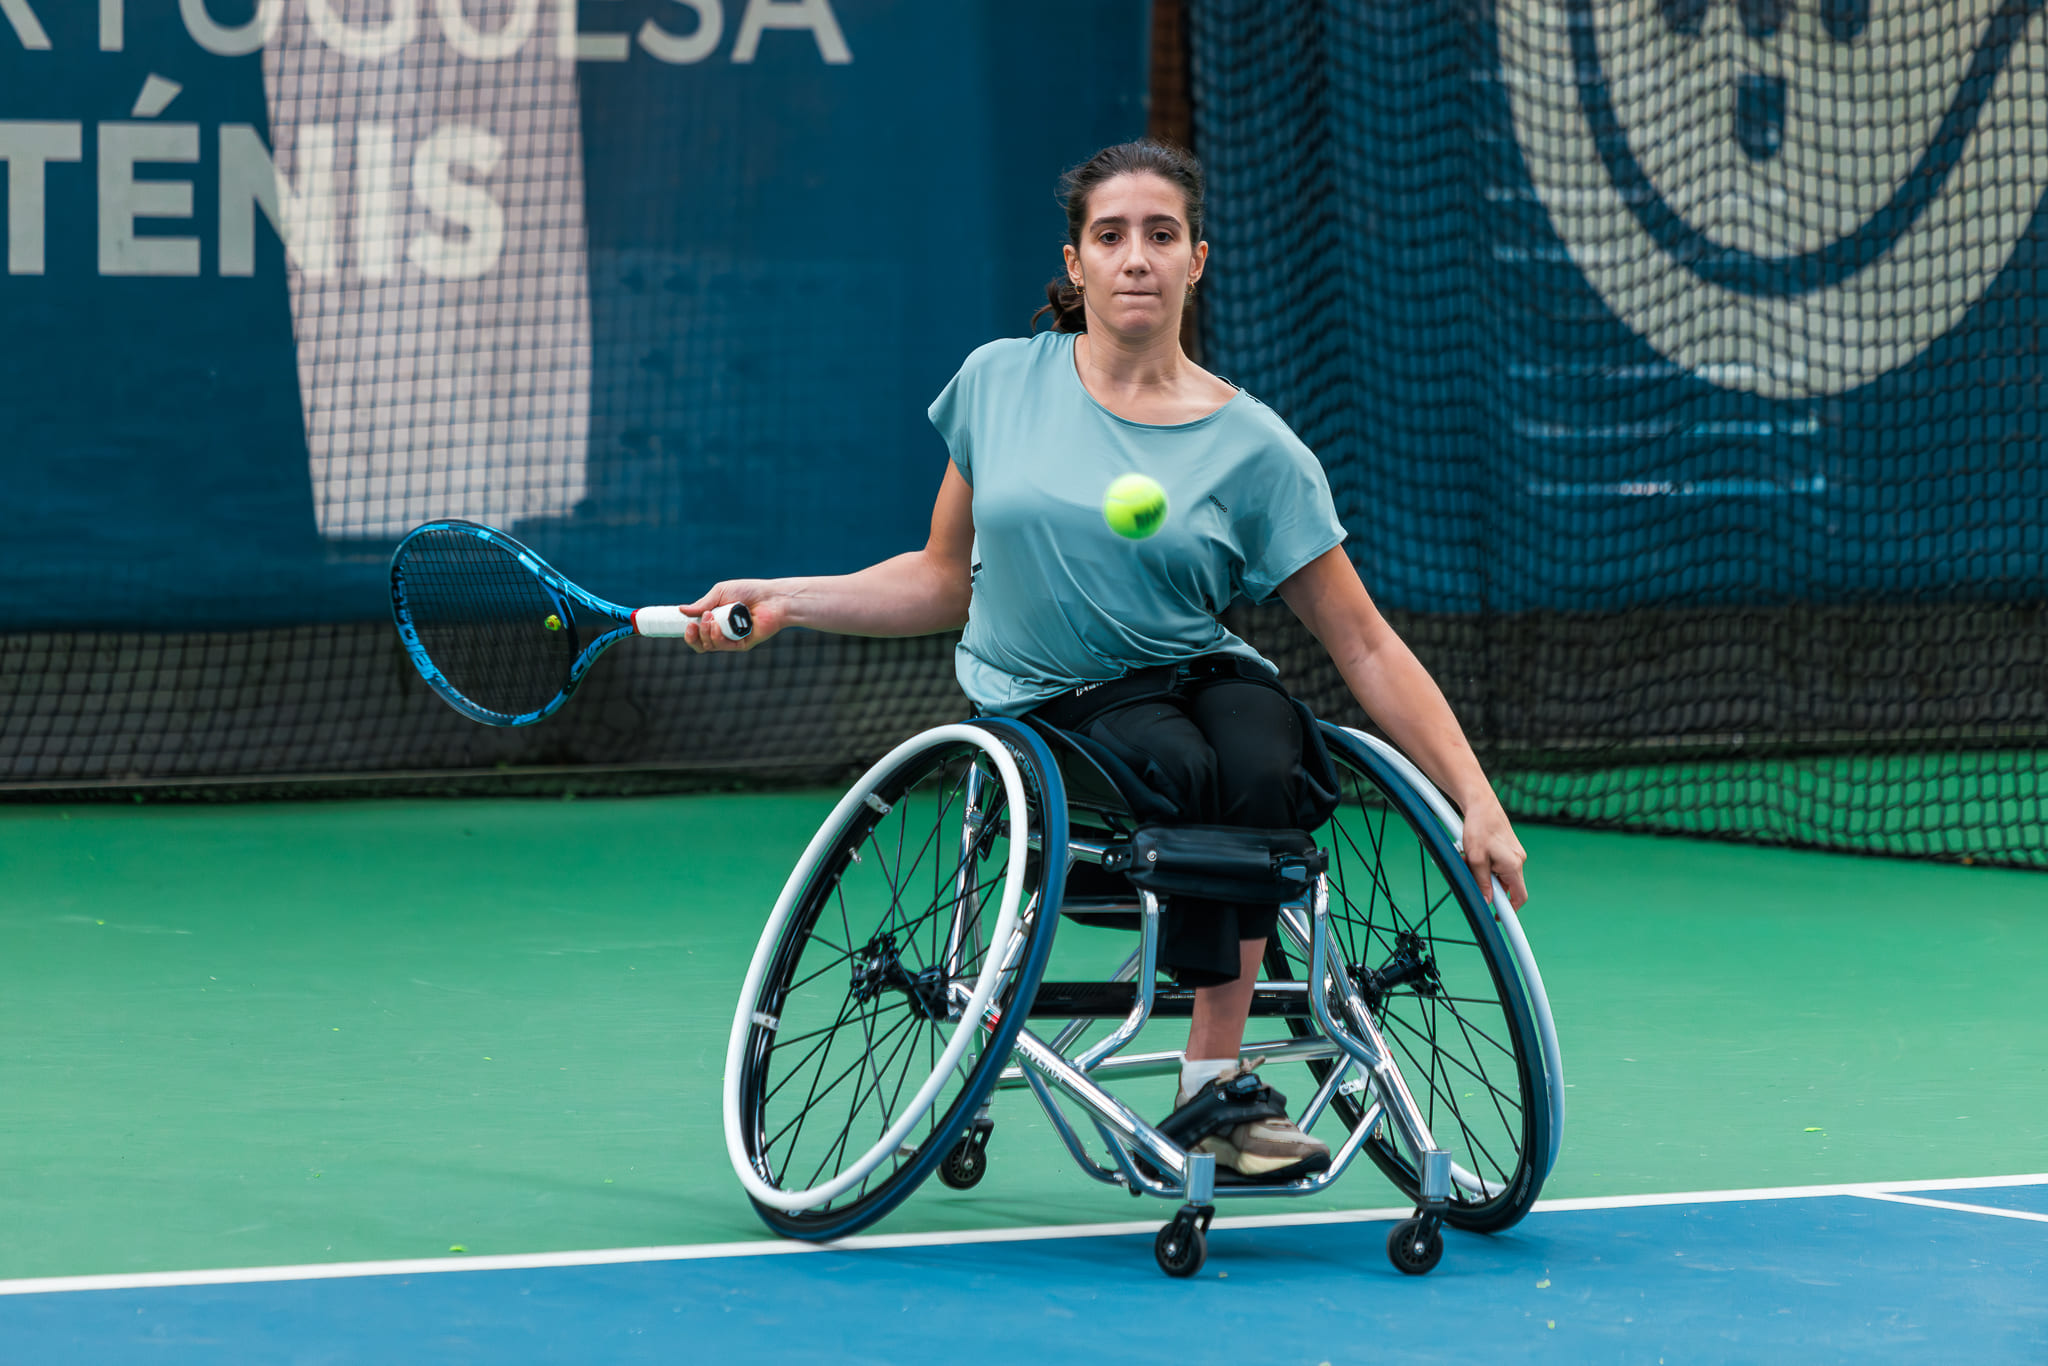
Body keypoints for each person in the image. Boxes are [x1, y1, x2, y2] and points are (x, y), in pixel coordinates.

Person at [680, 140, 1528, 1179]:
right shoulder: (998, 383)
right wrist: (787, 599)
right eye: (1111, 235)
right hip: (1050, 703)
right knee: (1182, 764)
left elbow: (1362, 639)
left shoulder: (1256, 448)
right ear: (1075, 262)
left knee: (1268, 753)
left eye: (1160, 236)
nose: (1136, 257)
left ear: (1195, 261)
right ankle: (1220, 1087)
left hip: (1195, 671)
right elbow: (943, 579)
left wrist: (1474, 799)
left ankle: (1212, 1086)